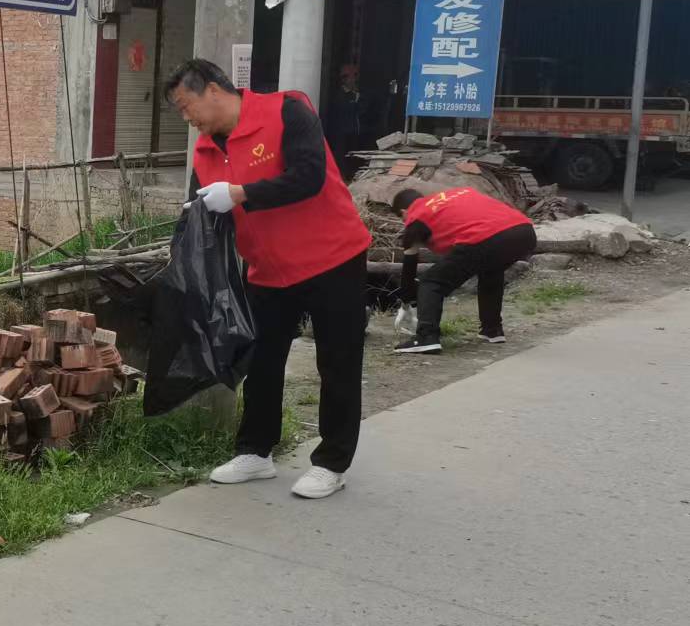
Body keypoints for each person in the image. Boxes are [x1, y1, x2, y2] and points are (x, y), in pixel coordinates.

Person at [165, 58, 373, 500]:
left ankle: (331, 462)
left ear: (214, 91)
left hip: (332, 258)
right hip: (268, 269)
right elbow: (200, 211)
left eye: (187, 107)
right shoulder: (204, 152)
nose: (187, 119)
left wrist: (241, 194)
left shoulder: (287, 113)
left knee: (337, 362)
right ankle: (256, 452)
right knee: (261, 360)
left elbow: (309, 177)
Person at [390, 186, 537, 354]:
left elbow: (409, 269)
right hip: (524, 232)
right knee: (491, 270)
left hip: (485, 237)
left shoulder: (417, 217)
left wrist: (405, 303)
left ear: (404, 211)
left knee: (431, 282)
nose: (405, 223)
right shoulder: (457, 194)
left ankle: (426, 337)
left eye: (402, 218)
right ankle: (492, 330)